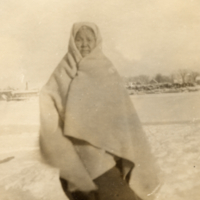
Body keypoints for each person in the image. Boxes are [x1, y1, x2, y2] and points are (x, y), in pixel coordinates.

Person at [39, 22, 161, 200]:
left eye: (89, 39)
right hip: (76, 154)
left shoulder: (106, 69)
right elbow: (48, 101)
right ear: (72, 41)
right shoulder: (62, 71)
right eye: (79, 39)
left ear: (97, 41)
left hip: (109, 153)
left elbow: (123, 112)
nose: (84, 44)